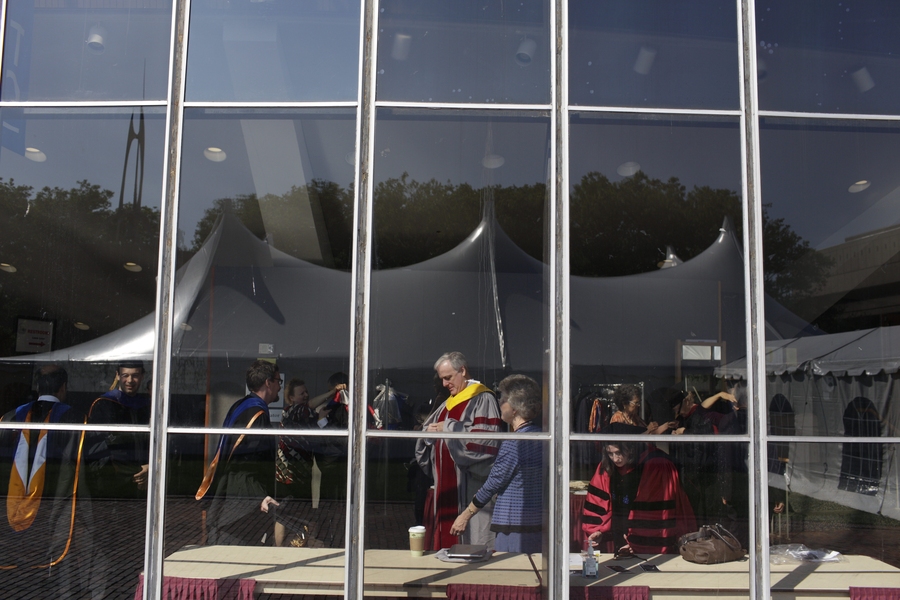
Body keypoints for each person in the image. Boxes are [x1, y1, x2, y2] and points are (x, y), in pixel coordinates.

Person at [0, 365, 92, 597]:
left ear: (37, 387)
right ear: (63, 388)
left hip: (11, 505)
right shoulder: (76, 419)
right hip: (53, 506)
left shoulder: (9, 418)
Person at [415, 352, 501, 550]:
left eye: (448, 378)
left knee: (473, 544)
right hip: (446, 488)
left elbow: (485, 444)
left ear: (462, 371)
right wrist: (428, 434)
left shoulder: (483, 399)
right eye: (442, 379)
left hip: (470, 486)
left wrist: (450, 428)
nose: (444, 384)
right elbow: (427, 439)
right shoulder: (448, 403)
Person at [450, 374, 543, 553]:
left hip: (514, 526)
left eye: (503, 399)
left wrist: (465, 515)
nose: (499, 403)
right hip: (537, 521)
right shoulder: (542, 437)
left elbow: (493, 483)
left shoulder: (514, 443)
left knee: (510, 576)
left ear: (514, 408)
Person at [86, 361, 152, 599]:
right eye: (125, 376)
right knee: (107, 545)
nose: (130, 381)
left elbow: (159, 443)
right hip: (111, 489)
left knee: (135, 544)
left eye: (135, 376)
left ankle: (130, 590)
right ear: (117, 376)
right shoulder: (104, 405)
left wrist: (150, 466)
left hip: (140, 489)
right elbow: (102, 451)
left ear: (143, 376)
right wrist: (136, 472)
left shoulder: (149, 405)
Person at [198, 360, 281, 545]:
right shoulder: (255, 416)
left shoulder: (241, 406)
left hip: (232, 490)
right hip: (240, 501)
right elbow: (247, 463)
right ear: (268, 382)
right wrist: (260, 496)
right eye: (277, 381)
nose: (279, 387)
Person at [582, 441, 695, 556]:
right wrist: (599, 532)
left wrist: (636, 544)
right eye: (610, 454)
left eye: (619, 453)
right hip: (619, 535)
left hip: (645, 544)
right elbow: (598, 503)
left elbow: (656, 513)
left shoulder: (656, 464)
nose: (615, 459)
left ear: (631, 448)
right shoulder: (606, 466)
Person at [274, 378, 317, 546]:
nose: (306, 395)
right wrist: (332, 393)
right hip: (290, 470)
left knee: (298, 510)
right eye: (301, 393)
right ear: (291, 398)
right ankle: (278, 550)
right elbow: (310, 407)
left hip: (301, 469)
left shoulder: (304, 413)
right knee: (284, 511)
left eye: (306, 392)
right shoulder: (293, 411)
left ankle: (297, 544)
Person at [608, 384, 675, 435]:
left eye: (639, 402)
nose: (639, 405)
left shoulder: (635, 418)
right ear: (625, 404)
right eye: (636, 403)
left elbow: (649, 435)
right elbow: (628, 442)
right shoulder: (617, 418)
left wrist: (666, 426)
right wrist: (648, 430)